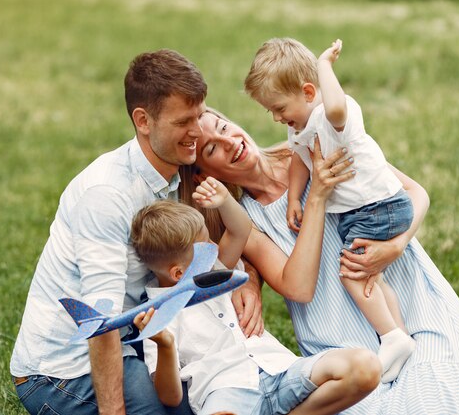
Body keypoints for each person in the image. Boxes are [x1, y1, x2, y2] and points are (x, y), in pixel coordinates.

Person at [179, 107, 459, 414]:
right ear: (205, 174)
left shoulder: (309, 147)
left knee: (437, 399)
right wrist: (316, 197)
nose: (230, 142)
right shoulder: (243, 219)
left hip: (402, 296)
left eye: (222, 128)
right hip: (336, 332)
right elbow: (298, 288)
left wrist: (396, 245)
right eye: (212, 148)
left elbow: (414, 192)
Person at [9, 49, 261, 415]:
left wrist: (248, 279)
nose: (198, 131)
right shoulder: (106, 195)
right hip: (62, 371)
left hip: (140, 340)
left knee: (233, 395)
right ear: (143, 120)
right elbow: (100, 321)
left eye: (200, 115)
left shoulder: (182, 171)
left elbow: (233, 236)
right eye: (183, 122)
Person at [243, 37, 415, 383]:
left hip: (378, 207)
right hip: (365, 211)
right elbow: (300, 162)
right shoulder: (300, 128)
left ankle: (392, 338)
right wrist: (294, 198)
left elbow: (335, 106)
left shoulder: (330, 115)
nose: (277, 118)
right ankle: (399, 336)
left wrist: (324, 67)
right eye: (271, 112)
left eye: (279, 108)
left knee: (353, 273)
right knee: (372, 277)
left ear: (309, 92)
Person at [129, 177, 380, 415]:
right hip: (227, 391)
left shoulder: (215, 270)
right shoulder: (158, 317)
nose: (216, 248)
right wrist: (165, 344)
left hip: (279, 370)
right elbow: (170, 397)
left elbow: (240, 229)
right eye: (207, 247)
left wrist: (224, 199)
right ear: (178, 273)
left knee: (365, 367)